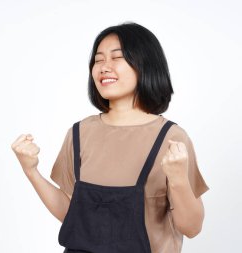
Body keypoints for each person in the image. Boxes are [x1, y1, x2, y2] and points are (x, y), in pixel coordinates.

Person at [11, 21, 209, 253]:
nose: (104, 67)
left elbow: (192, 227)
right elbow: (72, 216)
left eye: (117, 58)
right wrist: (31, 171)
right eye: (98, 60)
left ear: (146, 65)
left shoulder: (171, 138)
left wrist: (178, 179)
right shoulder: (79, 133)